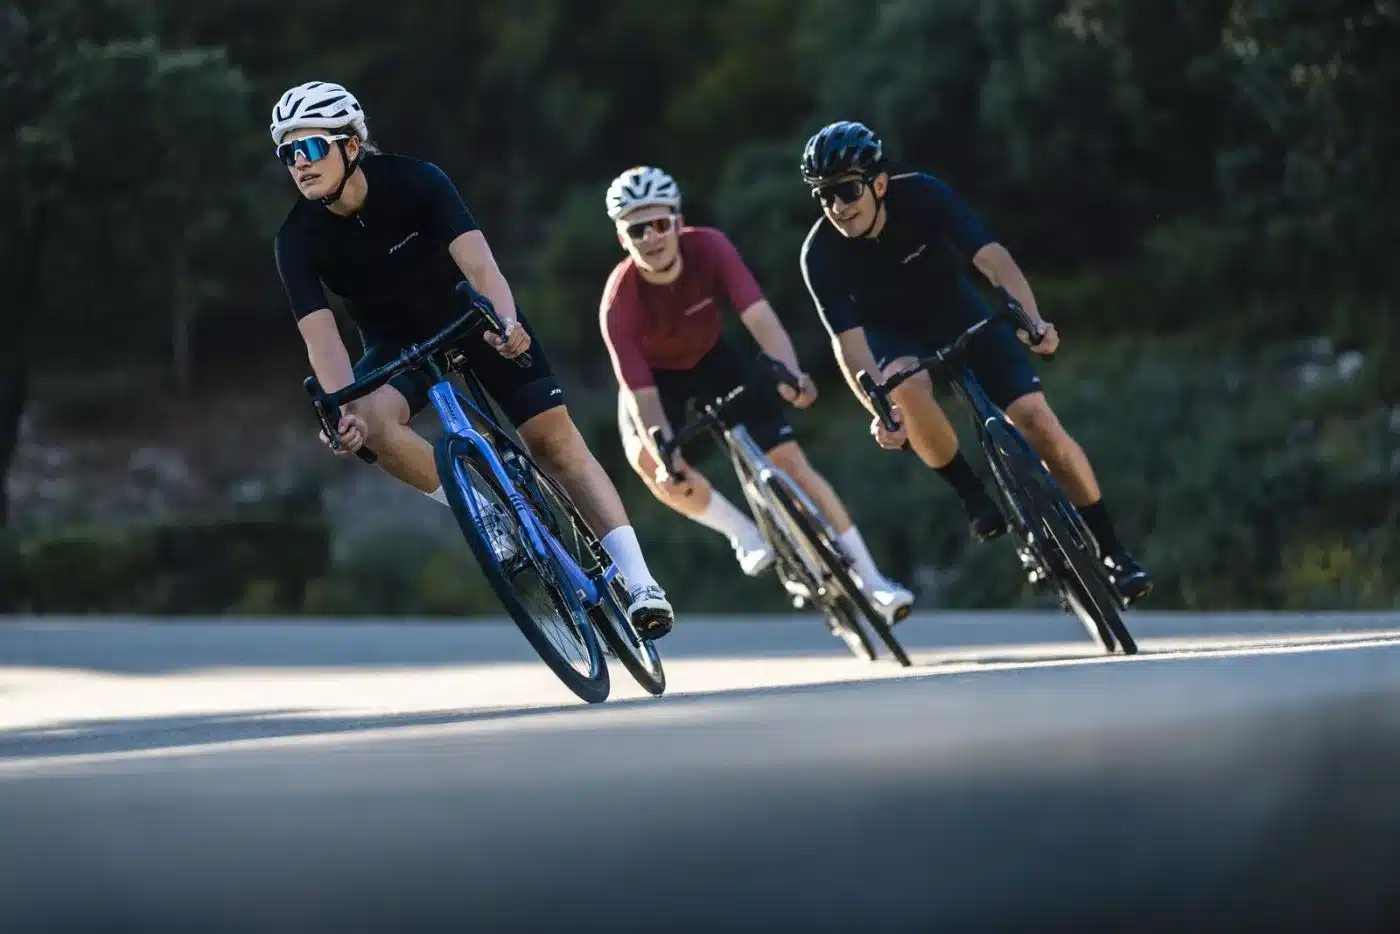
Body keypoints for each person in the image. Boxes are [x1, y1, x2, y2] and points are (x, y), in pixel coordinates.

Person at [269, 81, 675, 638]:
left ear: (351, 145)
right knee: (369, 425)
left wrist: (506, 323)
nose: (299, 162)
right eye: (288, 152)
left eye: (311, 146)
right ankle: (485, 514)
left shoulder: (417, 180)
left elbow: (481, 267)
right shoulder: (296, 238)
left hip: (471, 314)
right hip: (395, 343)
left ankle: (640, 582)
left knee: (555, 444)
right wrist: (344, 409)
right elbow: (323, 341)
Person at [796, 121, 1151, 604]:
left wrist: (1032, 320)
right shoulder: (819, 254)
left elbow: (993, 259)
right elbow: (849, 344)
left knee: (1037, 420)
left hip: (956, 309)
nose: (837, 206)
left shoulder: (924, 195)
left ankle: (1112, 551)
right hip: (892, 335)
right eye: (824, 195)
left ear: (878, 184)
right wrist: (880, 410)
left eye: (847, 190)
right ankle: (971, 493)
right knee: (904, 386)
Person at [599, 165, 914, 622]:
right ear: (622, 239)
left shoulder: (710, 247)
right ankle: (742, 534)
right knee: (649, 460)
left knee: (791, 462)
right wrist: (664, 452)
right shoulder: (619, 301)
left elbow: (760, 317)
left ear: (678, 222)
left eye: (660, 224)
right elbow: (640, 394)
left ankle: (874, 582)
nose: (651, 237)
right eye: (637, 229)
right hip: (655, 379)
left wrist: (791, 373)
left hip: (713, 358)